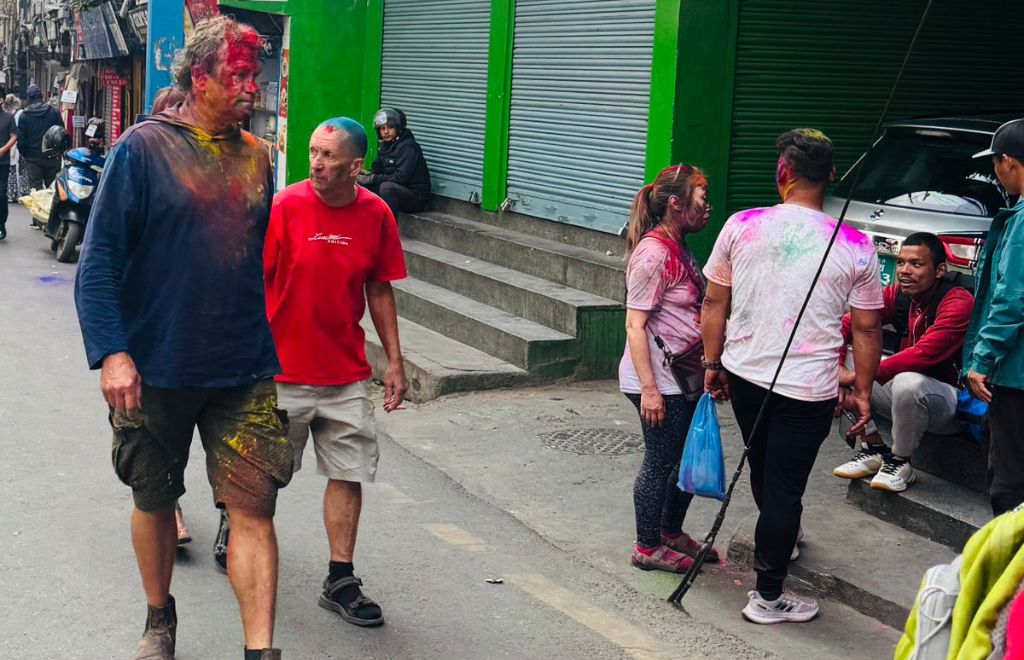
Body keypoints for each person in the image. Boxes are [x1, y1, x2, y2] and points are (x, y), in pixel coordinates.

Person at [74, 17, 292, 660]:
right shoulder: (142, 150)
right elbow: (99, 260)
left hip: (241, 366)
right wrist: (113, 353)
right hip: (155, 366)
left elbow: (258, 261)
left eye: (257, 76)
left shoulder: (258, 157)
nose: (253, 89)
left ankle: (261, 651)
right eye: (240, 76)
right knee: (155, 495)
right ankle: (159, 618)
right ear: (200, 78)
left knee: (255, 508)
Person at [701, 129, 884, 624]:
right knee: (784, 487)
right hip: (808, 389)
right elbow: (868, 326)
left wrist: (713, 363)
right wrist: (863, 390)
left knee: (764, 470)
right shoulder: (856, 244)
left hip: (743, 374)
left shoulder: (743, 224)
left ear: (782, 173)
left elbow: (715, 302)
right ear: (830, 175)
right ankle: (767, 597)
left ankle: (780, 540)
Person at [264, 116, 408, 627]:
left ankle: (340, 577)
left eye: (328, 156)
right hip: (281, 370)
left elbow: (380, 288)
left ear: (356, 165)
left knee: (349, 473)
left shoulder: (377, 215)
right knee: (264, 477)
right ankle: (233, 521)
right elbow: (252, 283)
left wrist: (393, 360)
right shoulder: (285, 206)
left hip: (345, 372)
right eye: (312, 152)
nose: (316, 163)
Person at [619, 164, 720, 573]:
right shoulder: (653, 253)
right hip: (659, 379)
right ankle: (647, 546)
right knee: (661, 462)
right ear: (676, 205)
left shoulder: (678, 245)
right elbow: (635, 324)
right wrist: (650, 389)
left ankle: (670, 531)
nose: (708, 208)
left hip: (684, 375)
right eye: (701, 200)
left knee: (684, 461)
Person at [833, 233, 974, 492]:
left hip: (950, 404)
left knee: (907, 382)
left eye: (916, 264)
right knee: (831, 364)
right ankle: (874, 446)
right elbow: (846, 325)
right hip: (903, 395)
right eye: (901, 262)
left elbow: (922, 354)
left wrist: (856, 378)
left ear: (940, 270)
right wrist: (840, 371)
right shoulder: (898, 295)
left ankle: (900, 462)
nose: (904, 271)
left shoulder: (958, 302)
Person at [964, 118, 1024, 515]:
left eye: (995, 164)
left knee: (1010, 481)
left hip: (1016, 375)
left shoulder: (1022, 220)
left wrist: (981, 360)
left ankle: (1010, 573)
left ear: (1008, 162)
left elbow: (1012, 297)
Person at [356, 107, 430, 214]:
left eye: (390, 127)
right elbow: (378, 171)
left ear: (398, 128)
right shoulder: (385, 146)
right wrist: (366, 174)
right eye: (382, 128)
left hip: (416, 197)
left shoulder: (408, 147)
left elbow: (401, 178)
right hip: (396, 189)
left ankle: (389, 228)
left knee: (387, 188)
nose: (386, 132)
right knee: (360, 185)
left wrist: (374, 178)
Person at [15, 84, 62, 190]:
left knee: (36, 191)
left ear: (29, 98)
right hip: (52, 157)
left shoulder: (24, 115)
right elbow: (61, 134)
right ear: (41, 96)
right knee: (53, 190)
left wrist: (27, 155)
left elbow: (21, 141)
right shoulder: (54, 112)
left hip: (33, 158)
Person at [0, 94, 17, 240]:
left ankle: (1, 225)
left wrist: (3, 149)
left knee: (1, 194)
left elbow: (14, 136)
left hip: (2, 162)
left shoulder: (8, 118)